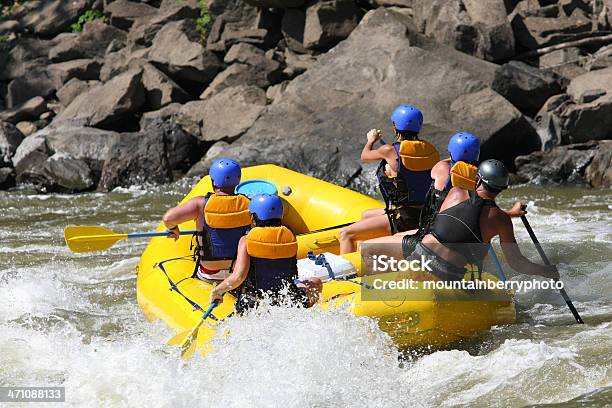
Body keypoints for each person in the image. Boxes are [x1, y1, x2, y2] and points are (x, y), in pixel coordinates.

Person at [401, 159, 559, 281]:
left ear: (477, 180)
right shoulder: (501, 220)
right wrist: (546, 271)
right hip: (447, 274)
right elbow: (516, 262)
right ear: (502, 189)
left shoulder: (455, 192)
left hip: (417, 258)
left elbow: (466, 215)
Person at [338, 105, 440, 253]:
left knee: (345, 234)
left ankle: (345, 275)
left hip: (403, 217)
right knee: (366, 215)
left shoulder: (388, 151)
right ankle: (363, 251)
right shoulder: (431, 150)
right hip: (423, 213)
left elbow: (365, 156)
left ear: (395, 126)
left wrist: (371, 140)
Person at [209, 194, 322, 312]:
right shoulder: (290, 236)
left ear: (252, 218)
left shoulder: (246, 241)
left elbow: (238, 277)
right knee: (316, 282)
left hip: (256, 305)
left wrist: (217, 291)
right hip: (287, 300)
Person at [162, 158, 251, 283]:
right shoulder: (249, 204)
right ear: (238, 181)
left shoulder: (200, 204)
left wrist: (173, 229)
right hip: (239, 271)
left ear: (214, 182)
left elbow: (168, 218)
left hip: (210, 272)